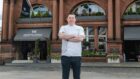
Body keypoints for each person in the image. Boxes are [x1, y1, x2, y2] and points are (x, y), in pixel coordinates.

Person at [58, 14, 85, 79]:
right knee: (65, 76)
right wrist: (73, 35)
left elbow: (80, 39)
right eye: (69, 18)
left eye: (73, 18)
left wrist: (66, 38)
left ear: (75, 20)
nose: (71, 19)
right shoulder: (63, 27)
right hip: (65, 55)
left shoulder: (80, 28)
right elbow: (61, 36)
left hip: (77, 55)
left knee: (77, 76)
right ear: (67, 19)